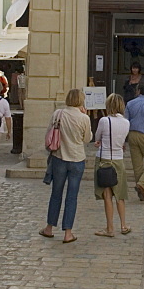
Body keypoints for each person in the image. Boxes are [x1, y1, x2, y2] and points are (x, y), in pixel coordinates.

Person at [41, 89, 92, 244]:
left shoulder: (58, 114)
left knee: (56, 193)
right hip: (77, 159)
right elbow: (87, 139)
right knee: (72, 196)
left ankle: (49, 228)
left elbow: (49, 133)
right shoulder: (84, 118)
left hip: (59, 157)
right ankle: (68, 232)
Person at [93, 93, 132, 238]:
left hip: (104, 159)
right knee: (120, 194)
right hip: (118, 159)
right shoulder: (126, 123)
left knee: (107, 194)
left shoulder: (104, 121)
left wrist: (99, 142)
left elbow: (97, 137)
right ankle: (123, 224)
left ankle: (110, 228)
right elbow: (122, 141)